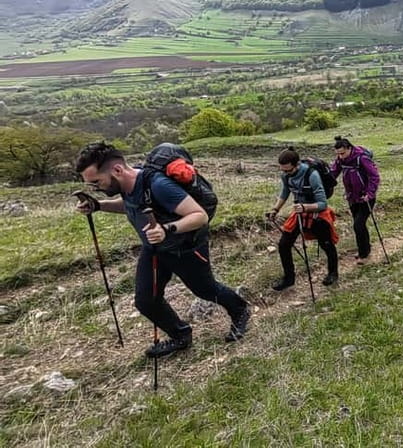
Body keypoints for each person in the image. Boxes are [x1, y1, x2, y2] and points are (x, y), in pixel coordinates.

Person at [75, 142, 250, 358]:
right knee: (146, 299)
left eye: (96, 182)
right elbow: (130, 205)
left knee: (205, 289)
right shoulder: (128, 185)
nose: (96, 188)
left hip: (184, 247)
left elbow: (199, 216)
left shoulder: (159, 185)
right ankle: (180, 335)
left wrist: (167, 229)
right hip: (155, 248)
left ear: (117, 170)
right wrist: (99, 205)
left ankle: (240, 309)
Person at [267, 147, 339, 290]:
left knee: (326, 244)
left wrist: (306, 207)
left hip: (317, 213)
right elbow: (285, 193)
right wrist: (275, 209)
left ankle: (333, 273)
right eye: (283, 170)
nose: (286, 174)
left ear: (297, 164)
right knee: (284, 245)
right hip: (299, 212)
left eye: (289, 170)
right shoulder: (286, 175)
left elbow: (323, 203)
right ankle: (289, 278)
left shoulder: (312, 175)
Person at [329, 136, 380, 264]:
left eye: (342, 153)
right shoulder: (341, 160)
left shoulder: (361, 158)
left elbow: (374, 176)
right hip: (352, 197)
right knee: (359, 225)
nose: (340, 156)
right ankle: (365, 249)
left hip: (366, 198)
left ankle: (363, 254)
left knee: (358, 225)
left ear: (349, 148)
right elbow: (333, 173)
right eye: (338, 154)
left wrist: (370, 193)